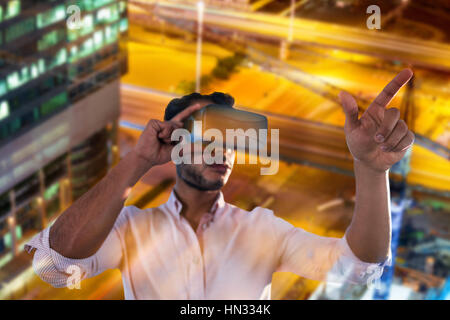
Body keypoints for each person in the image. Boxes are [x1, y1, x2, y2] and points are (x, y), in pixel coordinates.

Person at [25, 69, 415, 300]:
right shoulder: (131, 230)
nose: (221, 150)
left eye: (230, 140)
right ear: (173, 145)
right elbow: (54, 265)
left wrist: (369, 168)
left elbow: (356, 269)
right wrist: (138, 160)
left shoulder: (263, 230)